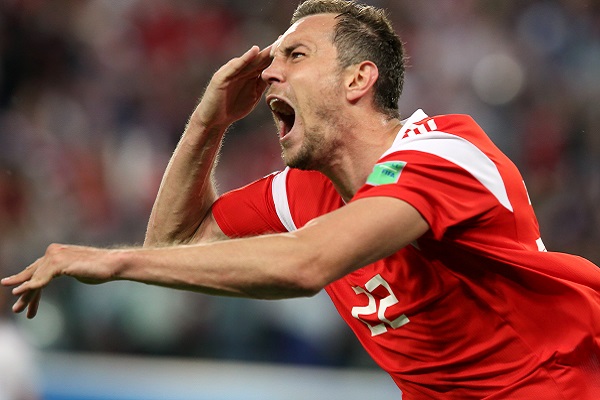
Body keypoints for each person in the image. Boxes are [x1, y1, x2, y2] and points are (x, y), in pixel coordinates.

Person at [2, 0, 600, 398]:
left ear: (358, 79)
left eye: (296, 55)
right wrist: (209, 121)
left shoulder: (444, 157)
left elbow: (308, 263)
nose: (268, 72)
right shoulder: (304, 190)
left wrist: (111, 261)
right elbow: (173, 246)